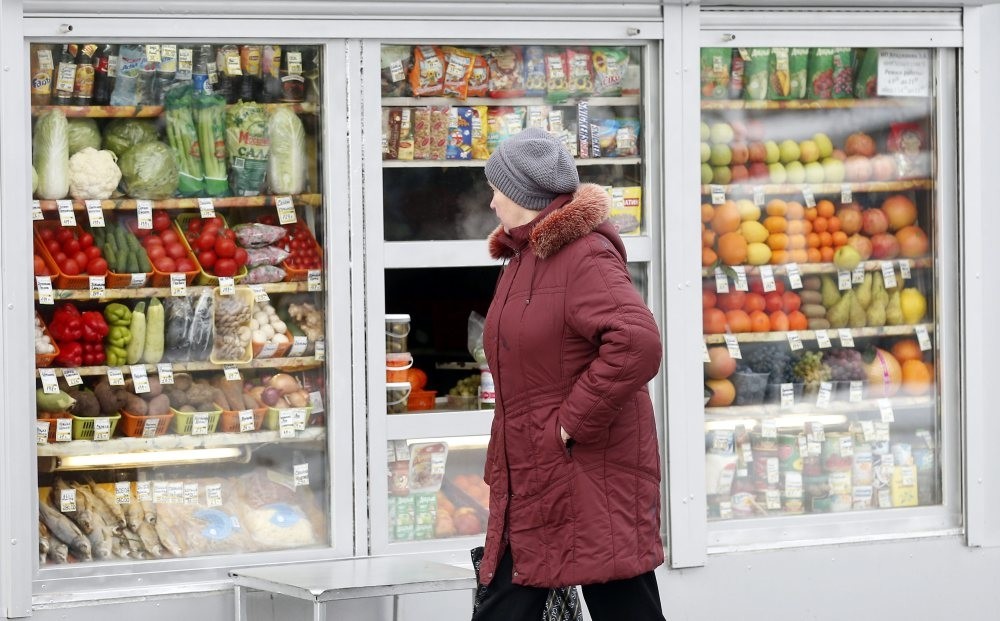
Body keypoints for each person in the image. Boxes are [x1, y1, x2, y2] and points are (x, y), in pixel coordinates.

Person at [472, 127, 665, 621]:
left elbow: (636, 343)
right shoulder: (524, 257)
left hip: (589, 472)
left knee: (622, 600)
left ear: (521, 193)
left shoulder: (584, 256)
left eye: (497, 188)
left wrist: (570, 423)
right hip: (534, 472)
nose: (491, 202)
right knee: (505, 601)